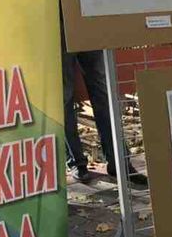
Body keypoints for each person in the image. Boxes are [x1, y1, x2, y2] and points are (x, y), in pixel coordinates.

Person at [62, 41, 148, 189]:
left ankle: (119, 162)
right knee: (65, 97)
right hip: (58, 33)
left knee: (103, 93)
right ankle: (77, 163)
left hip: (88, 32)